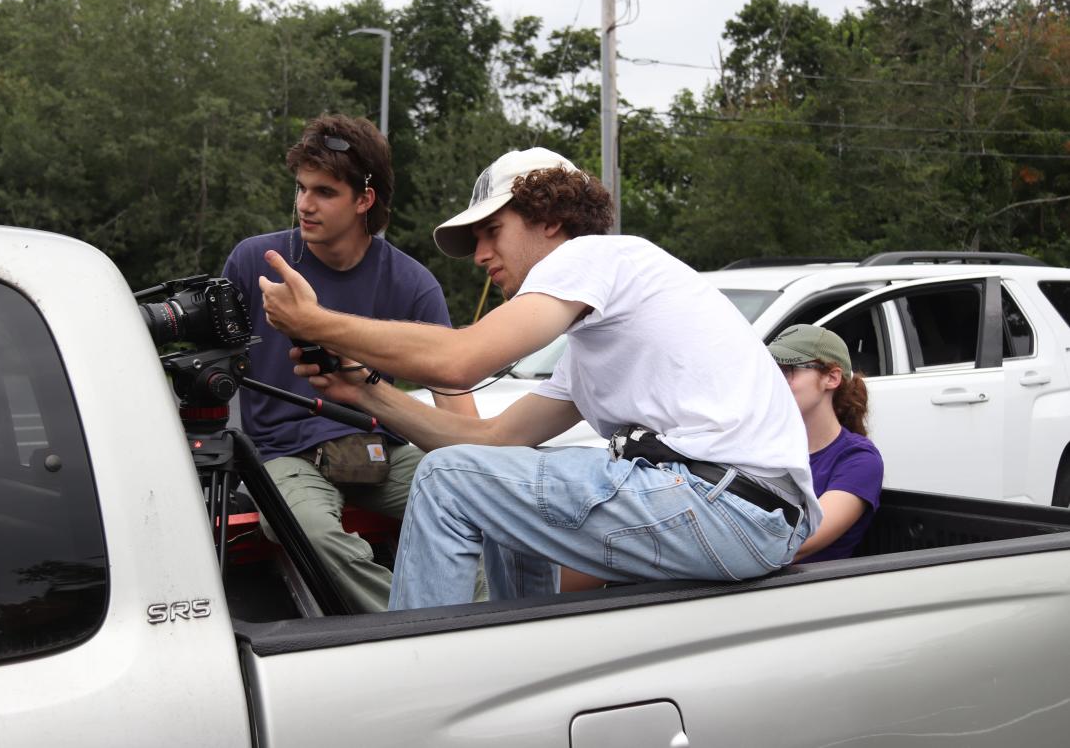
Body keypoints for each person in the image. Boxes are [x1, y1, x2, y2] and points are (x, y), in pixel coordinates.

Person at [257, 147, 823, 611]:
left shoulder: (595, 256)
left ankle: (417, 675)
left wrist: (316, 322)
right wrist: (364, 391)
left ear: (551, 219)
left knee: (449, 477)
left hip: (723, 504)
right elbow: (490, 440)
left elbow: (461, 361)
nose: (479, 254)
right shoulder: (595, 343)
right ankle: (524, 652)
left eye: (492, 232)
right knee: (487, 476)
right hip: (747, 516)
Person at [222, 113, 476, 614]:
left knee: (477, 503)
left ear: (365, 199)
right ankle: (419, 631)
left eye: (324, 192)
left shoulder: (412, 283)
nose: (304, 205)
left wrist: (486, 470)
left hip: (379, 449)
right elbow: (215, 370)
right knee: (313, 534)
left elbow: (459, 410)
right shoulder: (255, 262)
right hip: (282, 455)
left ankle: (488, 627)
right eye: (300, 188)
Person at [768, 324, 884, 562]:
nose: (773, 383)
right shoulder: (763, 447)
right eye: (770, 372)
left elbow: (795, 543)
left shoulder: (859, 460)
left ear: (831, 378)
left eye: (787, 370)